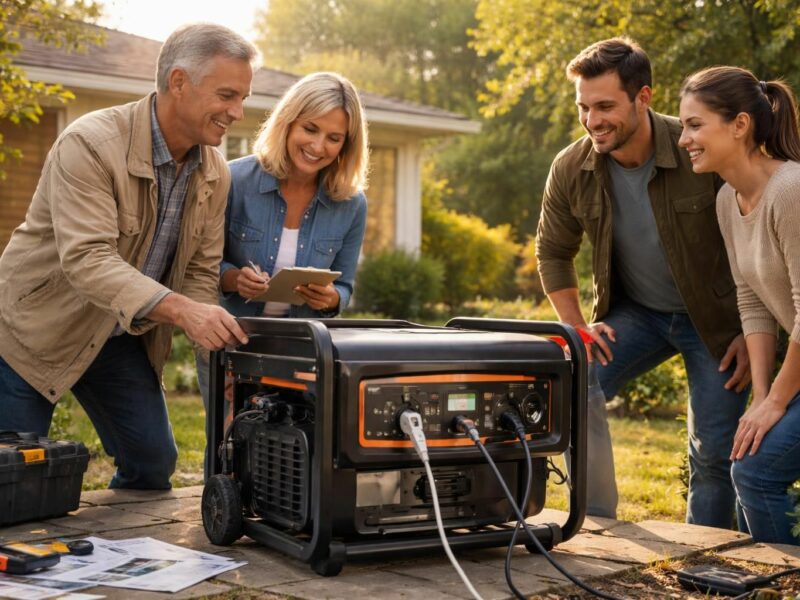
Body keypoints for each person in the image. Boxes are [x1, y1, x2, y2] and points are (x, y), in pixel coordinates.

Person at [0, 23, 258, 489]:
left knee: (152, 466)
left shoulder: (215, 171)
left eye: (242, 98)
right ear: (179, 82)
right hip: (32, 331)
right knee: (18, 481)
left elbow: (200, 274)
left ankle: (120, 556)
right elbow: (88, 259)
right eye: (226, 95)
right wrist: (182, 311)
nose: (237, 112)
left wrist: (214, 352)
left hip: (115, 336)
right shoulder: (91, 143)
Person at [535, 37, 751, 526]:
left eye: (606, 106)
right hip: (637, 314)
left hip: (715, 323)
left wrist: (749, 329)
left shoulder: (699, 148)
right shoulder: (572, 167)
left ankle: (707, 553)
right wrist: (577, 328)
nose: (593, 120)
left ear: (644, 98)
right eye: (584, 107)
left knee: (713, 452)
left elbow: (759, 240)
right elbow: (552, 251)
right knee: (574, 381)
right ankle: (595, 524)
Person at [195, 71, 368, 430]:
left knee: (293, 453)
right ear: (288, 124)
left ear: (346, 145)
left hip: (301, 350)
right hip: (231, 343)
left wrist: (330, 299)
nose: (319, 146)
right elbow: (202, 265)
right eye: (310, 129)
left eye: (334, 138)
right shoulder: (234, 181)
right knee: (231, 446)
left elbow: (345, 287)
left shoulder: (351, 204)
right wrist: (234, 279)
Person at [679, 66, 800, 544]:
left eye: (695, 125)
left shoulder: (790, 191)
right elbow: (752, 303)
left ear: (740, 125)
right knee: (749, 459)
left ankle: (780, 584)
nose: (684, 137)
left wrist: (775, 403)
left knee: (755, 473)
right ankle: (764, 580)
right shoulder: (729, 200)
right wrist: (763, 397)